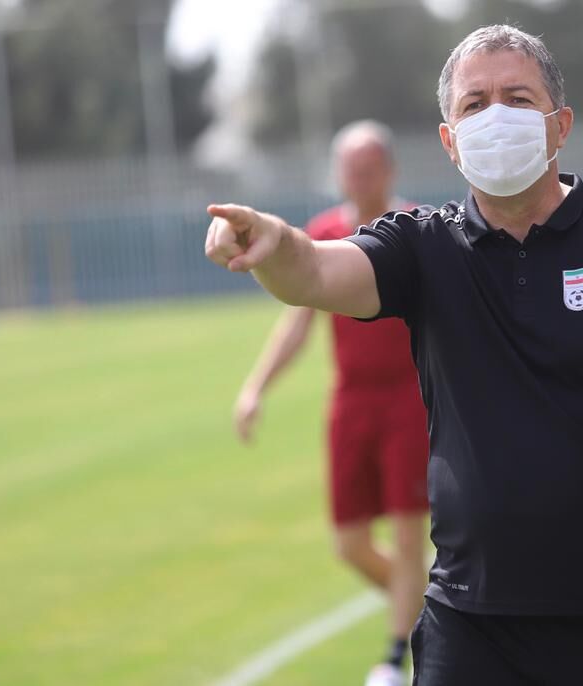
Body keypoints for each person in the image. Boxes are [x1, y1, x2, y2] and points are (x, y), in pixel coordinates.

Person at [207, 25, 583, 685]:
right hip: (471, 626)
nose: (496, 117)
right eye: (474, 104)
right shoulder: (421, 247)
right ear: (450, 140)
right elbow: (316, 272)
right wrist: (273, 240)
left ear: (561, 126)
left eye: (518, 99)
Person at [232, 121, 429, 686]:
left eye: (369, 169)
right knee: (349, 543)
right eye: (350, 170)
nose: (359, 180)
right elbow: (297, 325)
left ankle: (393, 658)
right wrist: (256, 387)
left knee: (409, 536)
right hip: (352, 402)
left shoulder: (416, 230)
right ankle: (435, 612)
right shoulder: (321, 235)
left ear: (389, 171)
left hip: (409, 400)